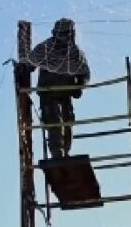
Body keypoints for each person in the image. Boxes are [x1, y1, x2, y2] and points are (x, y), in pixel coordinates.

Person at [26, 18, 91, 159]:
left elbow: (85, 73)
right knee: (55, 122)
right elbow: (29, 64)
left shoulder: (75, 53)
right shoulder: (45, 48)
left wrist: (79, 86)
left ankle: (65, 154)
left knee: (67, 126)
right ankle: (58, 154)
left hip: (65, 95)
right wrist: (22, 69)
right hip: (48, 94)